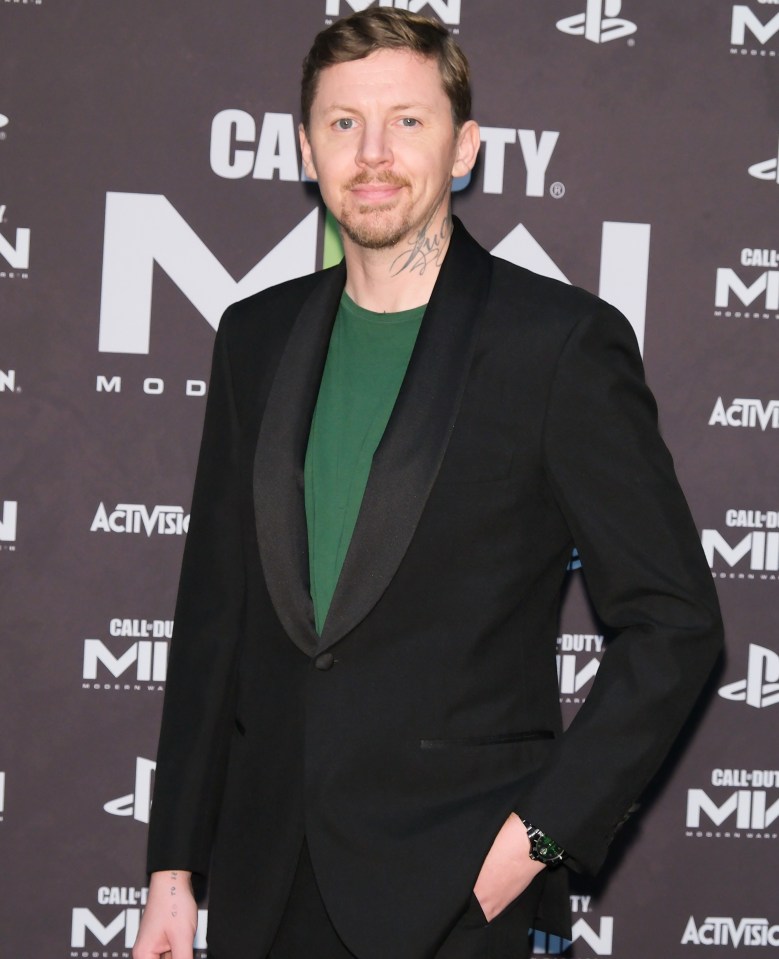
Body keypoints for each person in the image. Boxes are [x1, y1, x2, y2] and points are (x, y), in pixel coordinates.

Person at [132, 9, 723, 959]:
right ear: (304, 148)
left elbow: (675, 621)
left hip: (458, 895)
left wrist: (534, 840)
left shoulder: (557, 344)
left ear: (465, 148)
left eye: (406, 121)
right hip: (265, 885)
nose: (372, 153)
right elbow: (214, 616)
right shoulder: (254, 335)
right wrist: (173, 872)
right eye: (342, 123)